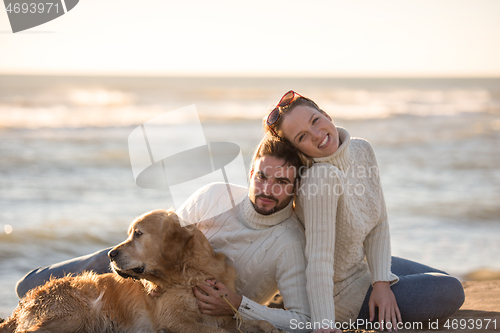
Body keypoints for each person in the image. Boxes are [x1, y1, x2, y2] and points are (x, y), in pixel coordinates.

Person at [15, 135, 314, 332]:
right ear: (251, 174)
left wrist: (240, 305)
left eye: (281, 182)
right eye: (262, 176)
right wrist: (154, 278)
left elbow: (304, 322)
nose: (267, 189)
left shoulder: (289, 244)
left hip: (165, 283)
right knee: (29, 286)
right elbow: (164, 235)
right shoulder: (213, 195)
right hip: (138, 273)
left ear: (295, 187)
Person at [263, 90, 465, 333]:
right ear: (298, 150)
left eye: (315, 120)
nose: (317, 135)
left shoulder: (361, 150)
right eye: (303, 136)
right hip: (340, 294)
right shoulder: (321, 179)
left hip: (361, 267)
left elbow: (379, 221)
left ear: (325, 114)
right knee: (450, 290)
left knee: (440, 276)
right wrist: (324, 325)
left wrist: (381, 282)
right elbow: (319, 261)